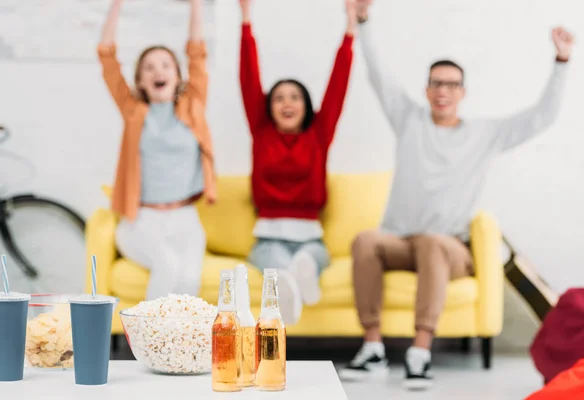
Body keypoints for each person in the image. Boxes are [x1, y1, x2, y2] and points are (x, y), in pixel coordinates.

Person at [339, 0, 574, 391]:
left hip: (451, 249)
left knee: (433, 242)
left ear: (462, 92)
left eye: (451, 84)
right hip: (401, 241)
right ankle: (373, 348)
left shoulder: (483, 135)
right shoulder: (409, 120)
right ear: (427, 90)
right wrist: (362, 22)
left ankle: (419, 353)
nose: (443, 91)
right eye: (436, 83)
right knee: (365, 240)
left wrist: (562, 62)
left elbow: (541, 117)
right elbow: (378, 74)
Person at [239, 0, 355, 324]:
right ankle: (293, 277)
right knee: (274, 262)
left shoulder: (319, 134)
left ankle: (298, 272)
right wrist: (245, 19)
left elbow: (337, 86)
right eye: (278, 97)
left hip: (310, 236)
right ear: (268, 107)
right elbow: (248, 78)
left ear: (307, 106)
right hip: (270, 236)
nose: (287, 103)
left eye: (295, 97)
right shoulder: (262, 133)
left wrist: (350, 30)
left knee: (315, 256)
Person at [98, 0, 216, 301]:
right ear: (140, 81)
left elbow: (197, 52)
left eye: (165, 65)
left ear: (178, 76)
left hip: (185, 217)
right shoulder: (134, 111)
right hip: (141, 221)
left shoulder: (193, 105)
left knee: (189, 279)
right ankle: (148, 346)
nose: (157, 72)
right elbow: (107, 57)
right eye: (149, 68)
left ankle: (181, 348)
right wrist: (116, 5)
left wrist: (196, 6)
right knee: (167, 263)